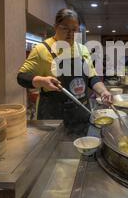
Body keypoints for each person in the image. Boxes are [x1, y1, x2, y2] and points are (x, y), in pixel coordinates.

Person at [17, 9, 112, 137]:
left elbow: (91, 77)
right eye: (65, 28)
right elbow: (22, 77)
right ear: (56, 26)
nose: (70, 33)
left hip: (81, 114)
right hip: (54, 116)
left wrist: (103, 91)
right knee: (53, 153)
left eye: (74, 29)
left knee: (79, 151)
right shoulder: (42, 49)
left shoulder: (82, 49)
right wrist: (41, 81)